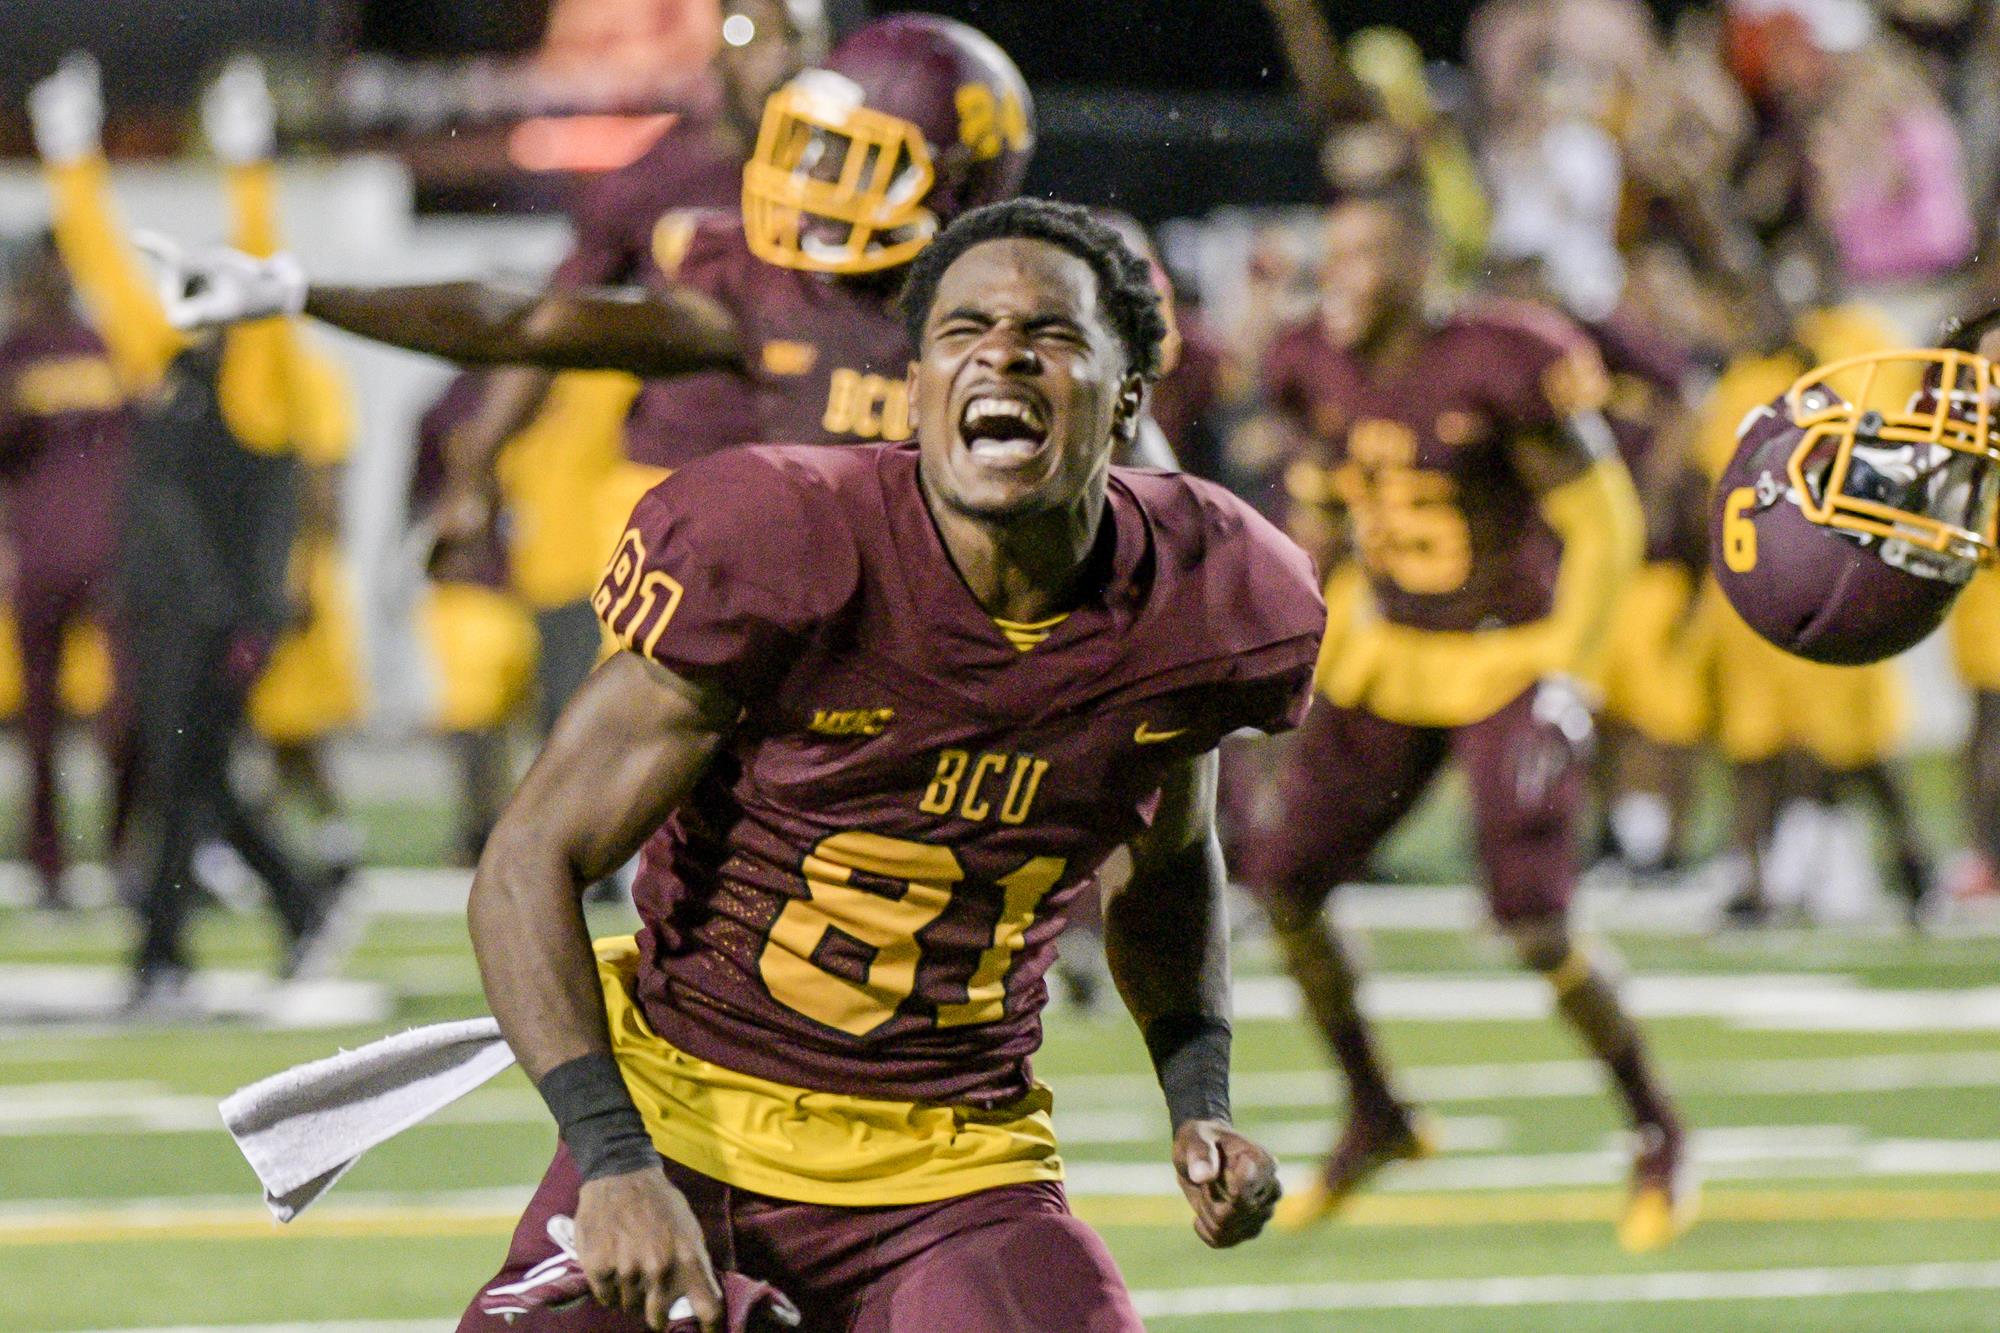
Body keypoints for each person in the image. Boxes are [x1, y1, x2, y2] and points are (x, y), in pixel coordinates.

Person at [411, 200, 1321, 1331]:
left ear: (1128, 394)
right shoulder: (786, 536)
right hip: (688, 1121)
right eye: (965, 329)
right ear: (918, 380)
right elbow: (526, 861)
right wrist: (611, 1157)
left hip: (951, 1171)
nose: (1002, 353)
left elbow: (1171, 860)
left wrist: (1198, 1095)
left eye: (1051, 333)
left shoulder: (1202, 592)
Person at [1249, 183, 1692, 1251]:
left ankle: (1656, 1129)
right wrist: (1288, 631)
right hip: (1392, 652)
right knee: (1284, 881)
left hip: (1508, 657)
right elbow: (1320, 511)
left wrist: (1571, 674)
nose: (1339, 275)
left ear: (1421, 265)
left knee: (1534, 920)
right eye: (1333, 252)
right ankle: (1375, 1112)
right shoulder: (1309, 358)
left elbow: (1606, 520)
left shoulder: (1500, 358)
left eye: (1366, 253)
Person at [31, 54, 346, 1005]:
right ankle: (294, 907)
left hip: (224, 615)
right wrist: (70, 156)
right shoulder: (164, 362)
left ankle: (169, 951)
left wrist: (250, 167)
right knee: (188, 777)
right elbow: (104, 264)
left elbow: (261, 256)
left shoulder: (259, 379)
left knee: (181, 778)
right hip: (164, 605)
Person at [429, 0, 826, 722]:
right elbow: (556, 322)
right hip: (676, 477)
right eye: (752, 34)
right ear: (717, 47)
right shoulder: (655, 176)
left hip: (809, 484)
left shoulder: (849, 176)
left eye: (796, 36)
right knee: (645, 711)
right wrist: (475, 468)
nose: (778, 60)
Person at [0, 231, 133, 908]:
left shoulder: (105, 344)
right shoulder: (12, 354)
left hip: (108, 556)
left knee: (127, 713)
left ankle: (121, 848)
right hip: (38, 558)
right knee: (40, 722)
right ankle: (48, 861)